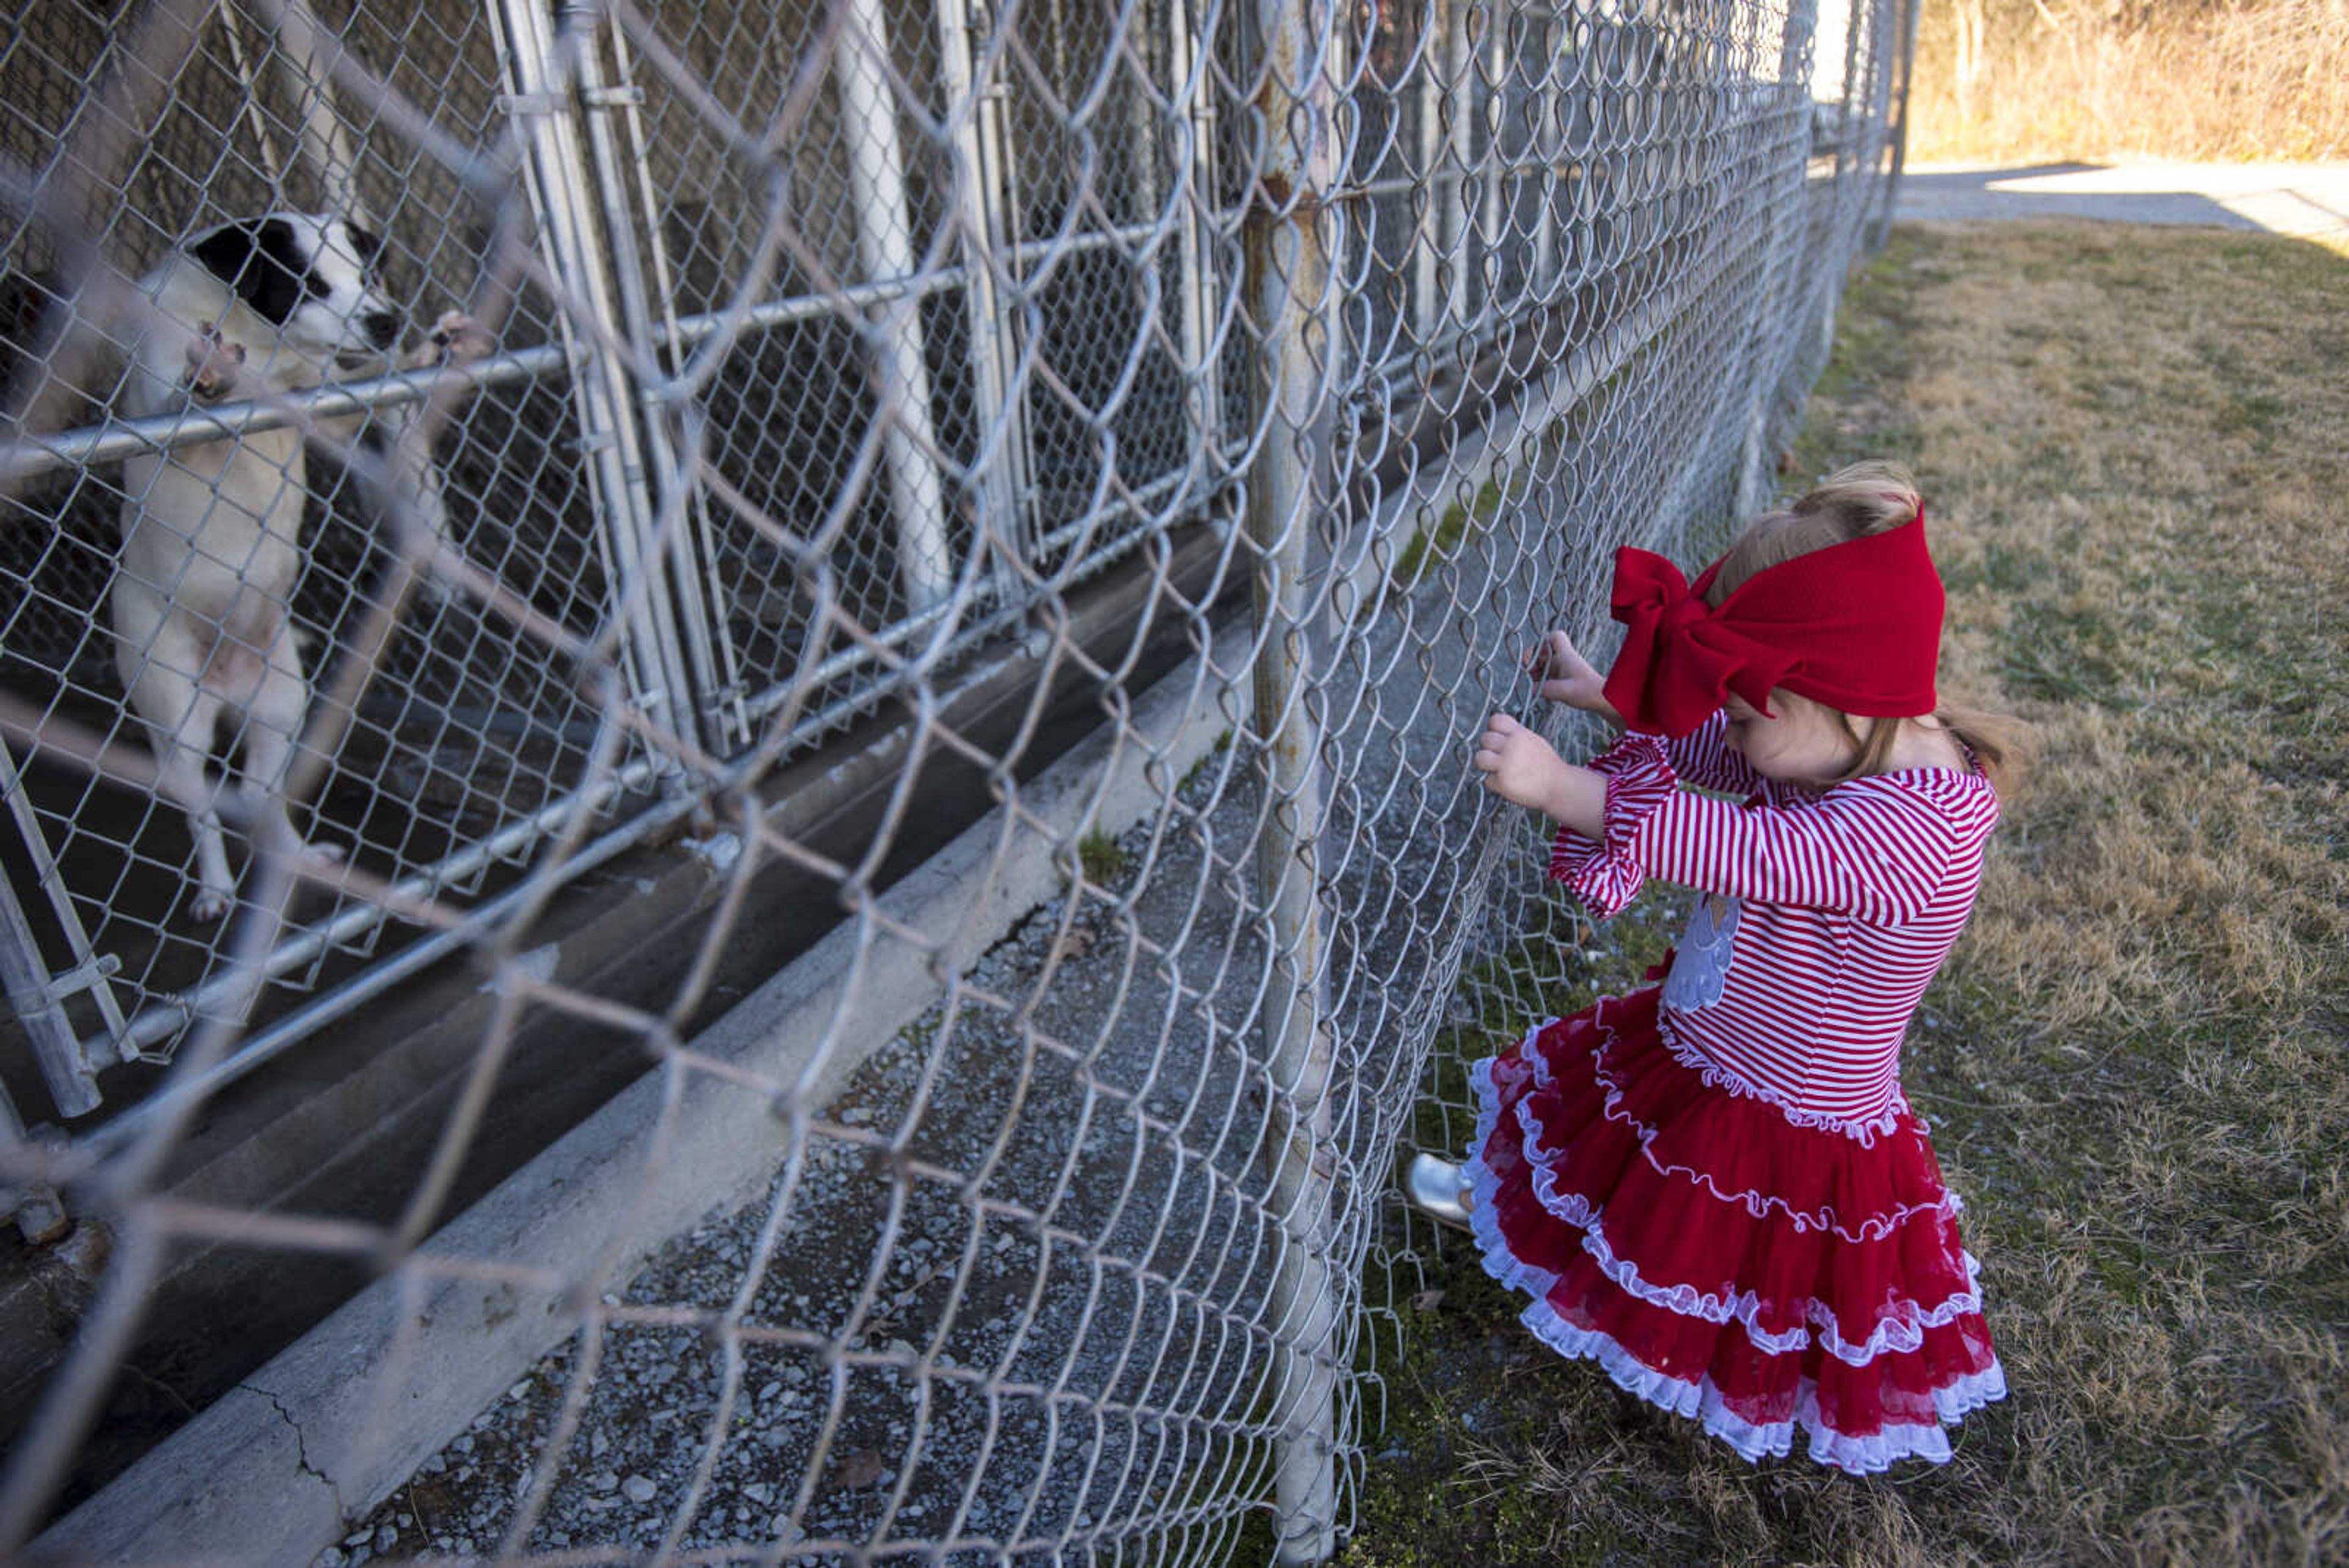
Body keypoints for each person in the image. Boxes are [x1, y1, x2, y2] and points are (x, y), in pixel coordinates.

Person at [1414, 461, 2018, 1474]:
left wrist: (1563, 788)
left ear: (1828, 695)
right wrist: (1623, 700)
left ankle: (1710, 1366)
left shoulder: (1921, 832)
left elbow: (1728, 844)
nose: (1729, 722)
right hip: (1716, 1039)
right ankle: (1514, 1218)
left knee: (1731, 1257)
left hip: (1791, 1109)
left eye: (1743, 705)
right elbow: (1733, 761)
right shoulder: (1840, 749)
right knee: (1623, 1163)